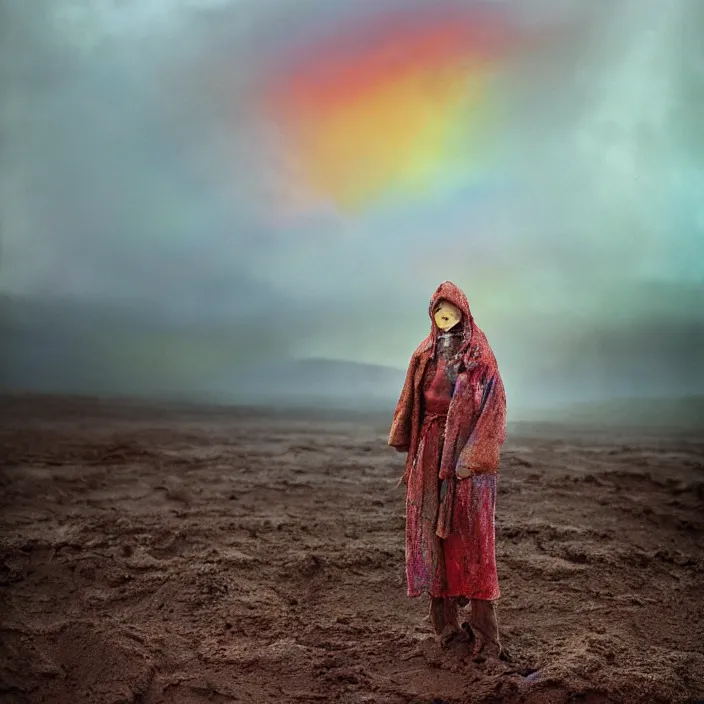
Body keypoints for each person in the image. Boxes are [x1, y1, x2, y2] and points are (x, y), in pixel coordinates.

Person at [388, 280, 507, 658]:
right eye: (440, 309)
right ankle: (445, 627)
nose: (446, 315)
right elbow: (411, 400)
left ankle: (486, 634)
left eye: (452, 309)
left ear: (464, 312)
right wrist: (411, 440)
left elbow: (494, 407)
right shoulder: (424, 353)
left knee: (471, 537)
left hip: (465, 462)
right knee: (430, 535)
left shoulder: (480, 356)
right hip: (429, 451)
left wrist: (471, 459)